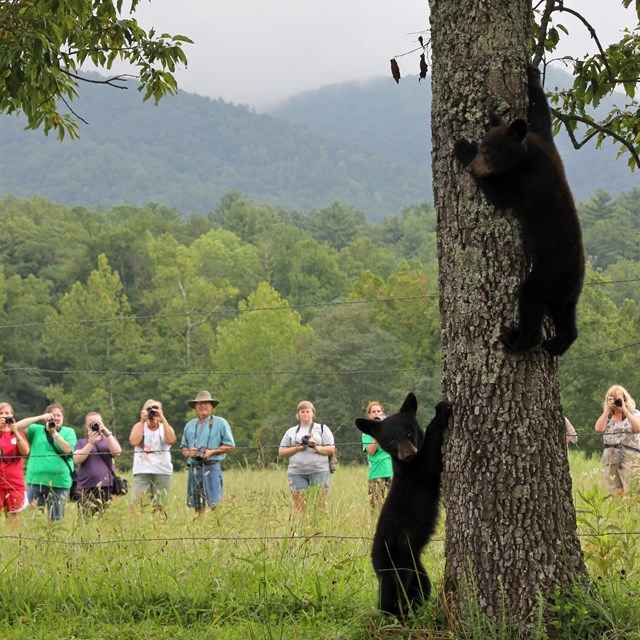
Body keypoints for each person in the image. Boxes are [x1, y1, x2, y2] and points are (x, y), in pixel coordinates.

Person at [17, 403, 77, 523]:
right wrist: (39, 417)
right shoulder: (36, 430)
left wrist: (54, 433)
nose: (55, 418)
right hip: (35, 482)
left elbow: (68, 450)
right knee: (33, 520)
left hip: (60, 483)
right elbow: (17, 427)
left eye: (58, 415)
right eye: (52, 415)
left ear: (63, 417)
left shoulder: (69, 432)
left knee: (55, 520)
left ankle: (55, 541)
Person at [180, 390, 235, 517]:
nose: (203, 406)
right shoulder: (189, 425)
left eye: (206, 403)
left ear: (211, 406)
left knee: (215, 503)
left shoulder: (220, 423)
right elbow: (183, 448)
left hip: (212, 466)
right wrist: (190, 453)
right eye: (199, 403)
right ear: (195, 406)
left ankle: (217, 526)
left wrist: (212, 452)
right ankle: (200, 527)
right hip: (194, 468)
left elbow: (231, 446)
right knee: (197, 504)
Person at [278, 400, 336, 511]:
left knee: (320, 506)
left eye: (307, 411)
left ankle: (320, 528)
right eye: (302, 411)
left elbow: (331, 449)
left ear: (313, 413)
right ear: (298, 414)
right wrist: (297, 448)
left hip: (319, 471)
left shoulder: (323, 428)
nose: (305, 414)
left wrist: (316, 447)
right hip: (296, 473)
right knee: (300, 508)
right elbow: (281, 452)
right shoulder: (291, 431)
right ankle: (302, 527)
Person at [129, 399, 176, 513]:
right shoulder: (139, 426)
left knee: (161, 505)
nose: (152, 412)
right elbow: (134, 441)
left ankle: (159, 527)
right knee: (137, 504)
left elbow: (171, 440)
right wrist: (142, 421)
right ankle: (138, 527)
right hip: (142, 470)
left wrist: (162, 419)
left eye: (155, 409)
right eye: (149, 409)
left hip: (162, 470)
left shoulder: (165, 426)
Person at [73, 412, 122, 518]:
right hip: (85, 486)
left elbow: (117, 452)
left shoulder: (108, 440)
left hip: (105, 486)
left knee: (104, 518)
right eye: (91, 424)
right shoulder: (82, 442)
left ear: (102, 423)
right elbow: (77, 459)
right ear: (87, 427)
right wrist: (90, 443)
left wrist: (107, 433)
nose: (95, 426)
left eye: (97, 423)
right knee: (85, 518)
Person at [594, 384, 640, 496]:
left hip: (630, 455)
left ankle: (632, 511)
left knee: (633, 489)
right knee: (615, 490)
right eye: (613, 398)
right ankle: (618, 512)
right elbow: (598, 429)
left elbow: (638, 428)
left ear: (624, 398)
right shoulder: (607, 416)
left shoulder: (634, 413)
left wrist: (624, 409)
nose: (616, 401)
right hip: (610, 455)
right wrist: (608, 410)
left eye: (619, 398)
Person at [0, 402, 30, 522]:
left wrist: (16, 432)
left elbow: (25, 451)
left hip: (14, 484)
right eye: (0, 413)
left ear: (12, 416)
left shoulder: (18, 434)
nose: (3, 416)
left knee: (14, 521)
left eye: (7, 413)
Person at [362, 401, 393, 509]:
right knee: (377, 508)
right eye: (373, 412)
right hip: (376, 474)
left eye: (378, 411)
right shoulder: (366, 433)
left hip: (392, 473)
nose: (376, 413)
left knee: (394, 507)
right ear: (369, 415)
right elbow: (371, 450)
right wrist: (377, 434)